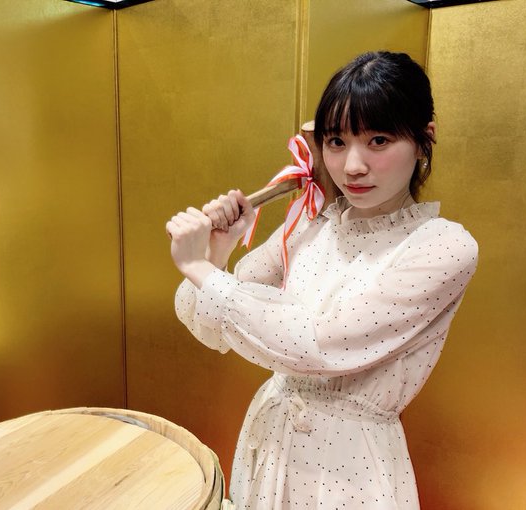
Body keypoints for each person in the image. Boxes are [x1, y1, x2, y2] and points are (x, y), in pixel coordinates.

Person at [166, 51, 478, 509]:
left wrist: (197, 268)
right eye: (336, 142)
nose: (353, 165)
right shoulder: (314, 224)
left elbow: (318, 345)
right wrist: (218, 250)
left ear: (423, 139)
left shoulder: (443, 246)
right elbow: (212, 328)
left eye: (378, 140)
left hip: (346, 464)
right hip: (270, 440)